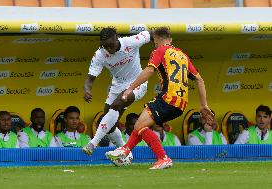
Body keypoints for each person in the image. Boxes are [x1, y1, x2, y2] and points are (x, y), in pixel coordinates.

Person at [106, 27, 213, 169]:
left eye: (154, 41)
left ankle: (162, 158)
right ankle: (124, 151)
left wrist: (131, 88)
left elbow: (150, 70)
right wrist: (203, 105)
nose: (154, 44)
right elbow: (199, 80)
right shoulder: (183, 55)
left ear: (156, 39)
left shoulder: (160, 50)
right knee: (141, 125)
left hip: (169, 98)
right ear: (171, 39)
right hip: (181, 103)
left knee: (139, 125)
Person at [82, 27, 151, 155]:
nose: (109, 49)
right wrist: (87, 90)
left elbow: (151, 35)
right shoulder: (100, 54)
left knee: (117, 104)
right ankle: (126, 153)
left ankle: (93, 143)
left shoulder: (131, 42)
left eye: (111, 45)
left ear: (116, 37)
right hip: (117, 86)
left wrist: (162, 51)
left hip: (137, 82)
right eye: (105, 46)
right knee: (109, 127)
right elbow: (90, 79)